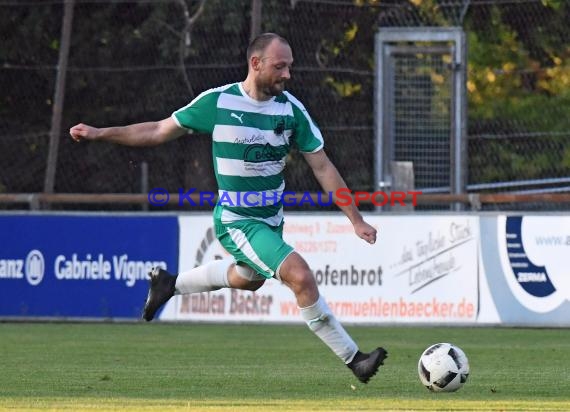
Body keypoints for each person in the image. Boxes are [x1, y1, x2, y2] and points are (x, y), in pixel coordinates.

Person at [70, 32, 387, 384]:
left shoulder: (291, 110)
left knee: (247, 280)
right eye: (280, 66)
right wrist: (101, 133)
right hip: (237, 221)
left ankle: (169, 284)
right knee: (300, 276)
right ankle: (354, 358)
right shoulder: (218, 103)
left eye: (290, 67)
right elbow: (158, 130)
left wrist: (355, 219)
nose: (287, 75)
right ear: (256, 64)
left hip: (271, 220)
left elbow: (322, 166)